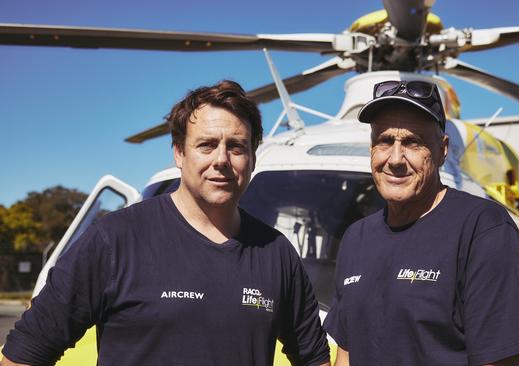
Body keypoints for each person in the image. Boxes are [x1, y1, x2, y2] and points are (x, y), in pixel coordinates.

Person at [1, 80, 331, 366]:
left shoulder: (277, 254)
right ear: (178, 153)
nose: (221, 160)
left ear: (252, 157)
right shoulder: (114, 239)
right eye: (206, 145)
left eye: (236, 147)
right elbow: (24, 354)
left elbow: (314, 357)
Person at [323, 80, 519, 366]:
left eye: (413, 142)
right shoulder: (356, 238)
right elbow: (346, 355)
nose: (395, 159)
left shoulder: (483, 229)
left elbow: (500, 361)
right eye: (384, 141)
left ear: (441, 150)